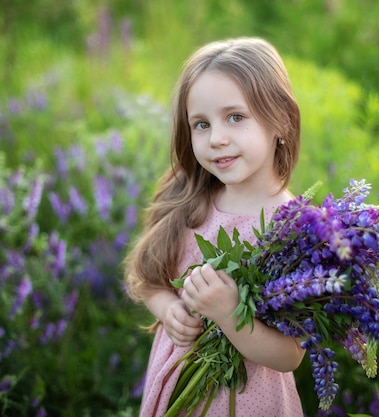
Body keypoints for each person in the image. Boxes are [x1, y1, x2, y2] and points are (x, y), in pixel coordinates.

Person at [124, 37, 304, 417]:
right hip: (178, 395)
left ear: (282, 119)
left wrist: (228, 312)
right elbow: (149, 278)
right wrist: (168, 308)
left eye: (235, 117)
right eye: (201, 124)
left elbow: (289, 355)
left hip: (247, 401)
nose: (216, 139)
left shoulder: (294, 227)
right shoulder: (191, 199)